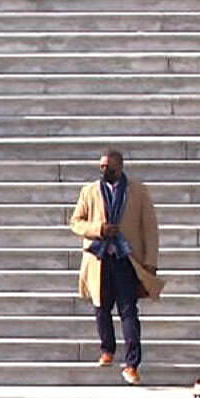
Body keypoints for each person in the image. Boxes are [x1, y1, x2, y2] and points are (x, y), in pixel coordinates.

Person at [70, 149, 162, 385]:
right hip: (99, 258)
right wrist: (98, 229)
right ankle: (107, 349)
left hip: (126, 259)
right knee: (101, 308)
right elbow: (76, 222)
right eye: (101, 166)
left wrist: (151, 263)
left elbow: (150, 228)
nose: (104, 170)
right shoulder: (89, 191)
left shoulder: (137, 191)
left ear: (119, 167)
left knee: (128, 311)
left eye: (108, 166)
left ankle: (132, 364)